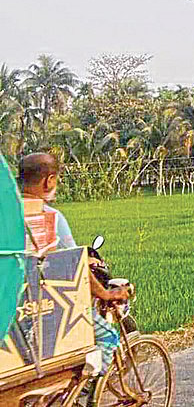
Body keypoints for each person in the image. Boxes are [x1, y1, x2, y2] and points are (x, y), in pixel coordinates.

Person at [19, 152, 126, 378]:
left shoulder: (6, 216)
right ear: (49, 180)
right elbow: (76, 267)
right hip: (46, 312)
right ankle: (86, 391)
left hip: (11, 314)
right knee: (108, 336)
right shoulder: (51, 217)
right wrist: (105, 294)